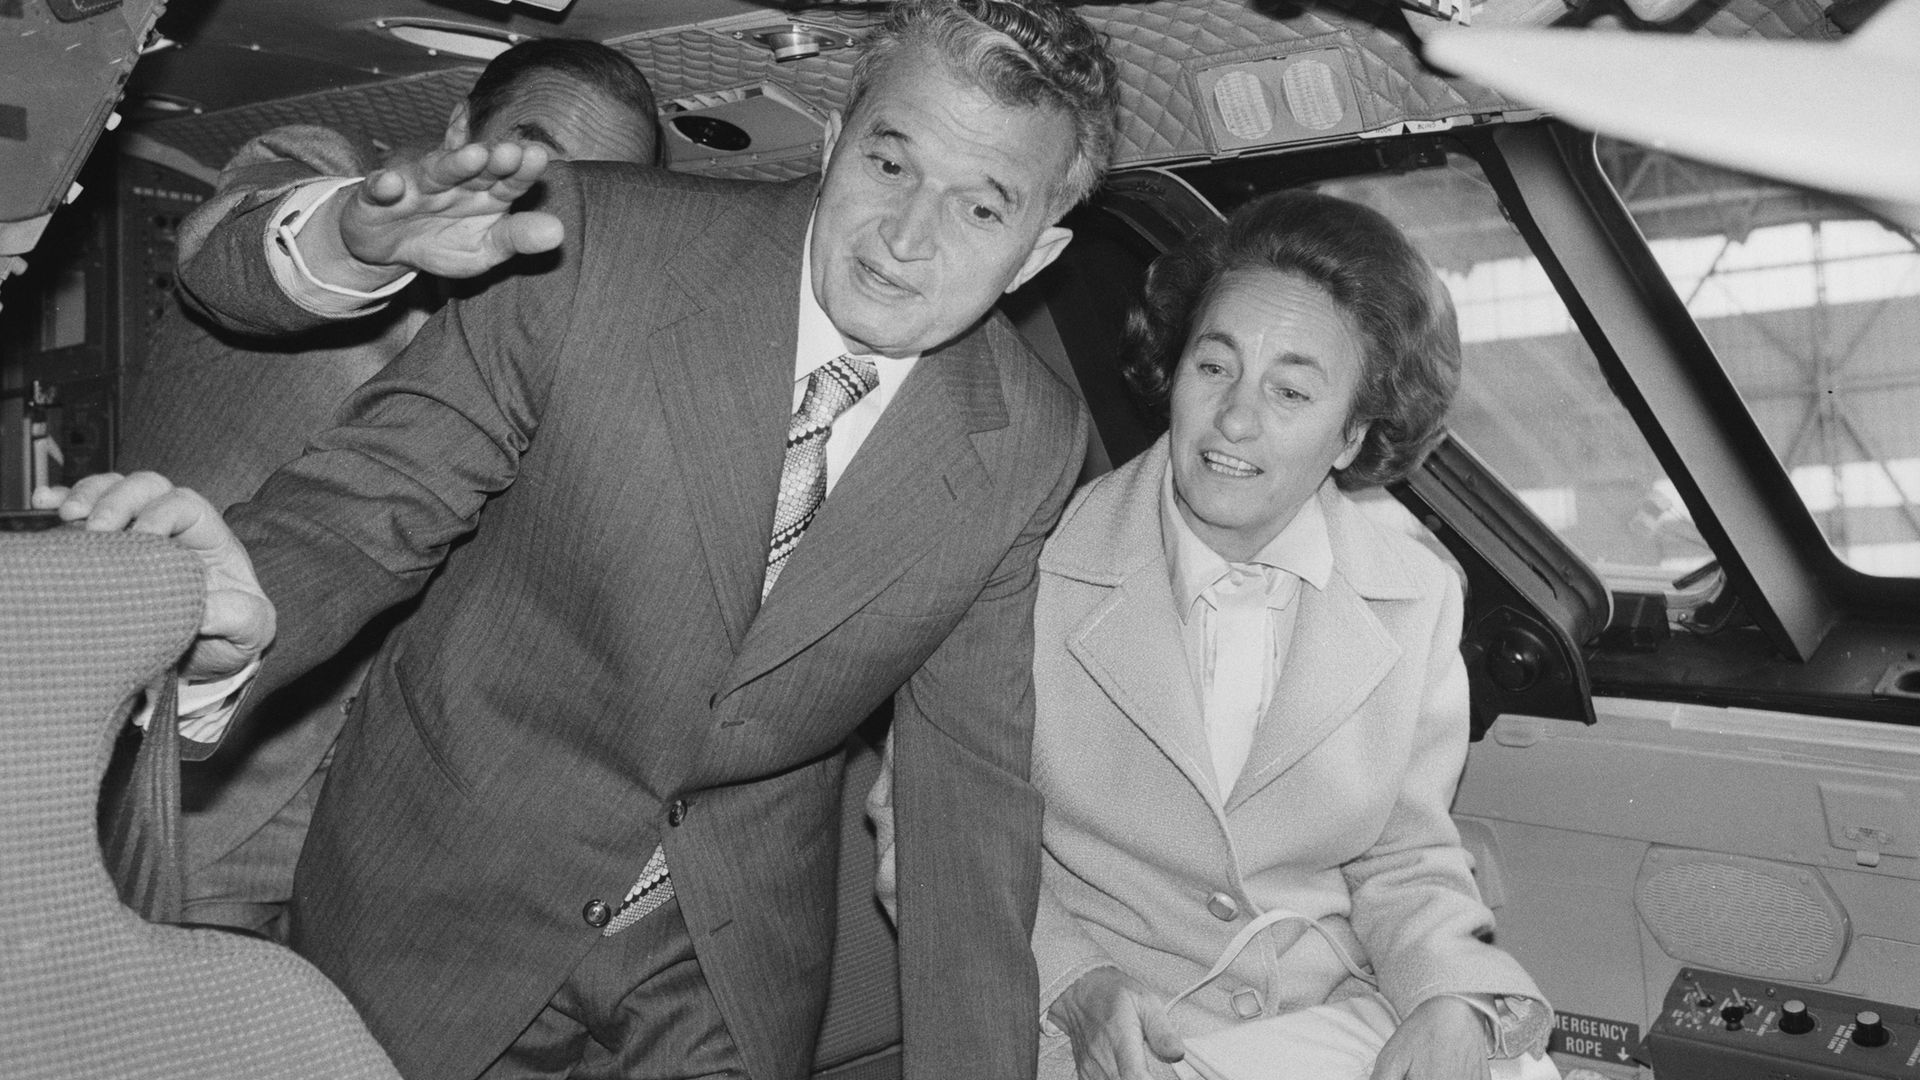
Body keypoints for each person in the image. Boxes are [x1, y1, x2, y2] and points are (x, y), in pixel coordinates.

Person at [44, 2, 1119, 1078]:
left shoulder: (1030, 440)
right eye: (892, 164)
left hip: (722, 963)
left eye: (983, 209)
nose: (906, 238)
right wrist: (241, 614)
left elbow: (966, 790)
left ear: (1040, 253)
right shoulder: (596, 242)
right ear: (838, 142)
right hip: (439, 900)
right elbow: (377, 500)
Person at [115, 37, 661, 940]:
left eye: (597, 191)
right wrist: (350, 241)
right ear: (460, 130)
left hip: (382, 863)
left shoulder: (592, 353)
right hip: (178, 797)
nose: (560, 201)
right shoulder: (332, 178)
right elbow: (237, 260)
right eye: (532, 156)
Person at [1027, 190, 1559, 1080]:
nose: (1237, 420)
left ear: (1352, 433)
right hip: (1104, 1038)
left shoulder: (1415, 594)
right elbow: (939, 835)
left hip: (1332, 1026)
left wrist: (1448, 999)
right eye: (1214, 368)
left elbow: (1408, 857)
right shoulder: (1029, 564)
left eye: (1291, 391)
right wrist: (1076, 985)